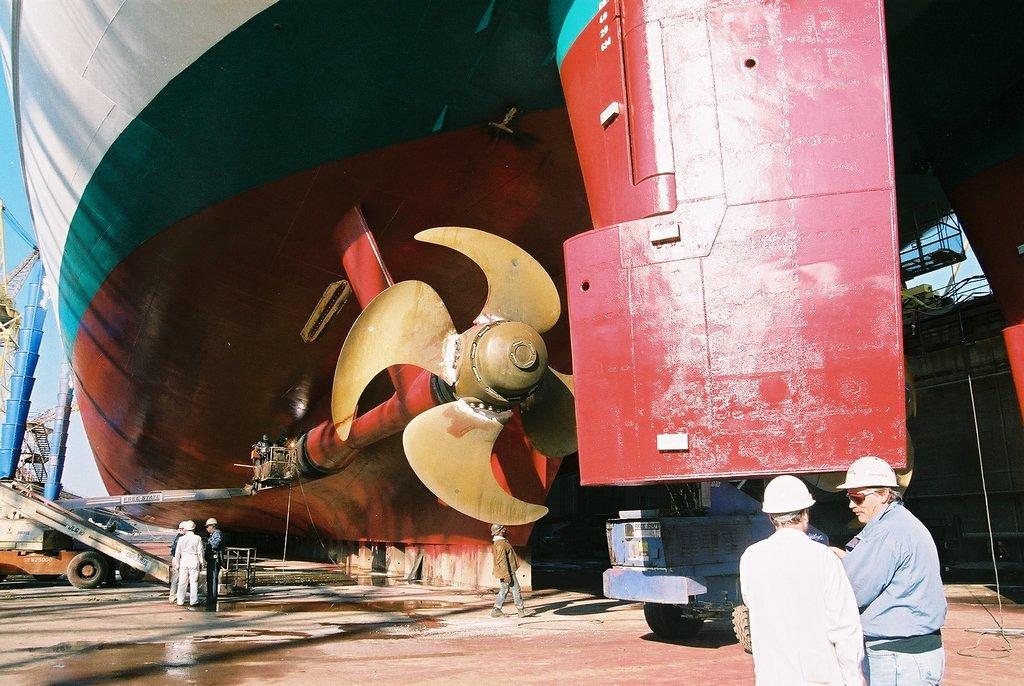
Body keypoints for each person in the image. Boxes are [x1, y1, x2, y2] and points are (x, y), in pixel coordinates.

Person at [740, 475, 864, 686]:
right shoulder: (823, 557)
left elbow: (752, 603)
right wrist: (853, 678)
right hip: (820, 677)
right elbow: (844, 626)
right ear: (805, 514)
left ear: (770, 517)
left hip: (772, 677)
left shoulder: (751, 558)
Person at [834, 456, 947, 685]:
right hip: (911, 655)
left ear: (884, 494)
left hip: (898, 658)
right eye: (849, 497)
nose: (851, 505)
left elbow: (854, 591)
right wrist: (850, 559)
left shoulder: (887, 532)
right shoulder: (900, 523)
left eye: (857, 497)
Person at [489, 524, 536, 618]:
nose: (505, 530)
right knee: (516, 589)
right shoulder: (501, 544)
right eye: (503, 529)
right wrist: (507, 575)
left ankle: (496, 610)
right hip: (507, 571)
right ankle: (521, 610)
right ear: (499, 531)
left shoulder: (500, 542)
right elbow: (502, 561)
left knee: (504, 589)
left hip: (505, 571)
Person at [172, 520, 204, 608]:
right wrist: (202, 562)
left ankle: (180, 600)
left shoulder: (181, 539)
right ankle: (193, 601)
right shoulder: (197, 538)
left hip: (184, 560)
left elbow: (177, 553)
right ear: (194, 528)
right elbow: (200, 552)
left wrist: (177, 564)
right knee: (194, 581)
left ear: (186, 529)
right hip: (194, 559)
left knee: (182, 581)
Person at [204, 517, 225, 609]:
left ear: (213, 526)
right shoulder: (213, 534)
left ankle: (212, 599)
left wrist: (208, 547)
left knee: (212, 579)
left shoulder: (217, 534)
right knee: (210, 579)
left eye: (207, 526)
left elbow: (215, 545)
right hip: (211, 559)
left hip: (215, 560)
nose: (206, 528)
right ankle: (210, 596)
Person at [168, 523, 185, 603]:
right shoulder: (181, 537)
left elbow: (173, 549)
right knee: (179, 578)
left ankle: (172, 596)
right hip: (179, 559)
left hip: (175, 558)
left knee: (175, 578)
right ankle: (175, 596)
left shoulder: (178, 537)